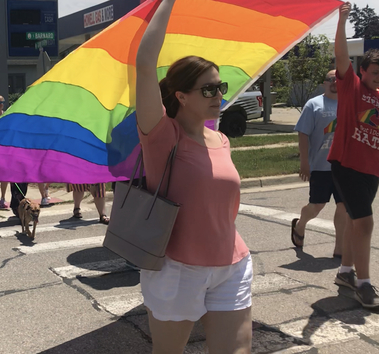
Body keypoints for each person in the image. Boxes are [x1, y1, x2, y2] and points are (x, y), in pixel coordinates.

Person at [135, 0, 252, 352]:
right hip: (178, 270)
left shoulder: (221, 139)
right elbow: (144, 66)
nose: (218, 95)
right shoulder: (161, 135)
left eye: (220, 87)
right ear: (181, 96)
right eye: (208, 89)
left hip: (231, 264)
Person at [331, 2, 379, 308]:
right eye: (375, 72)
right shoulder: (352, 86)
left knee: (353, 220)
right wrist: (342, 20)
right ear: (362, 71)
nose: (378, 77)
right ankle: (364, 284)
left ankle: (346, 272)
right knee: (365, 223)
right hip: (346, 165)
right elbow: (340, 54)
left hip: (371, 170)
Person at [291, 70, 347, 259]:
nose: (335, 83)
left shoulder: (349, 104)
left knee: (343, 208)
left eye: (339, 79)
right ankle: (300, 224)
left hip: (344, 167)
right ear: (324, 83)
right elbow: (303, 134)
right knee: (316, 206)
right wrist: (304, 162)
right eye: (331, 79)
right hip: (320, 167)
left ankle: (339, 249)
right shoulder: (313, 105)